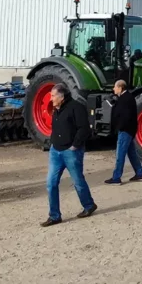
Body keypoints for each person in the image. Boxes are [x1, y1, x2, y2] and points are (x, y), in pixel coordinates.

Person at [41, 84, 96, 227]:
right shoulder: (57, 109)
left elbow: (84, 129)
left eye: (53, 96)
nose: (51, 99)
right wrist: (52, 143)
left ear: (62, 96)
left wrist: (74, 146)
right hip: (55, 151)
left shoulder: (76, 107)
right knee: (51, 183)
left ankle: (89, 205)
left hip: (71, 152)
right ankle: (54, 216)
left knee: (78, 181)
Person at [105, 79, 142, 184]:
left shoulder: (125, 99)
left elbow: (124, 116)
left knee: (120, 155)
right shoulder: (127, 97)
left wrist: (119, 127)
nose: (113, 89)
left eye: (115, 87)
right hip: (129, 130)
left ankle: (116, 178)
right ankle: (140, 174)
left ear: (120, 88)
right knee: (131, 153)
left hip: (125, 130)